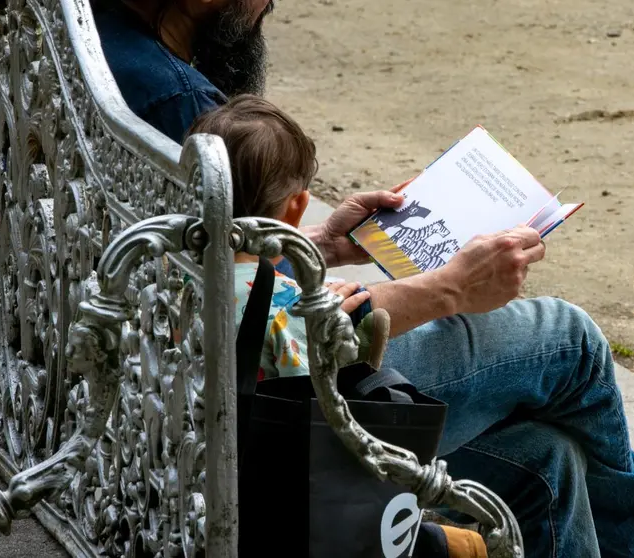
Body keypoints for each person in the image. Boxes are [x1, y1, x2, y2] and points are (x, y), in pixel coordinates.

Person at [93, 1, 634, 556]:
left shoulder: (122, 75)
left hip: (166, 433)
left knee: (546, 457)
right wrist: (447, 288)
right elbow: (309, 341)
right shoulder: (176, 98)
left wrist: (320, 248)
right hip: (267, 453)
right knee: (569, 340)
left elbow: (233, 279)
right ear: (294, 207)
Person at [193, 94, 488, 558]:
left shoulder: (161, 272)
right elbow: (319, 408)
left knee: (548, 450)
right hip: (264, 502)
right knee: (469, 543)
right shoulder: (289, 309)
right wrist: (338, 328)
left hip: (172, 477)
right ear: (297, 209)